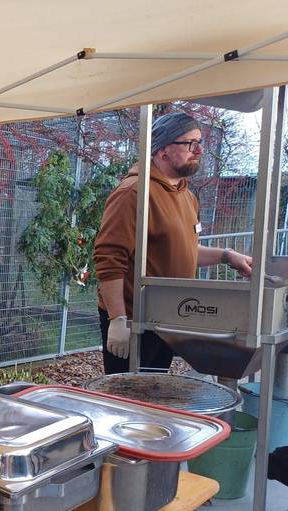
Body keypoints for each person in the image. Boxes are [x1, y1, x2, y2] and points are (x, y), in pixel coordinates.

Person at [94, 112, 253, 375]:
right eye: (191, 143)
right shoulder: (133, 193)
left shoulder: (187, 196)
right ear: (164, 150)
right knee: (127, 400)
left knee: (154, 395)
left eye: (200, 142)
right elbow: (109, 259)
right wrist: (117, 319)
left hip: (168, 318)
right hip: (135, 322)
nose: (200, 150)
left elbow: (185, 250)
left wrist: (227, 256)